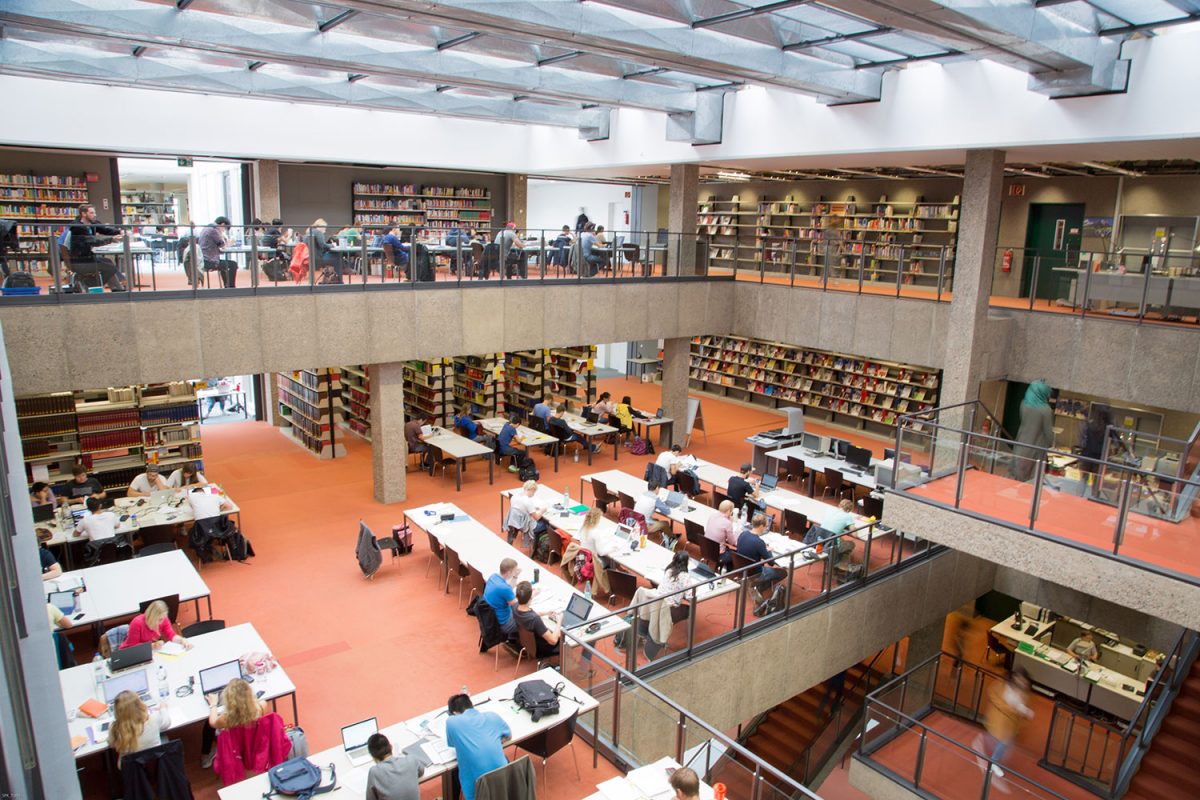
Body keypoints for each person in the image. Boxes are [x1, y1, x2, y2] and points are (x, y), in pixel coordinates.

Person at [444, 693, 510, 800]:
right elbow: (508, 736)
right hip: (503, 782)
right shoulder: (492, 716)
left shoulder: (451, 722)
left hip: (478, 788)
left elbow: (452, 744)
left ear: (455, 713)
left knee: (454, 772)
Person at [977, 669, 1033, 779]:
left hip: (1009, 724)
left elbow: (1021, 708)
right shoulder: (1002, 686)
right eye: (1020, 679)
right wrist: (1015, 709)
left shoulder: (1023, 693)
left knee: (1003, 742)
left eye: (1023, 681)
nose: (1022, 683)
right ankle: (993, 762)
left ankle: (993, 760)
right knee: (1001, 741)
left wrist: (1024, 712)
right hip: (1000, 720)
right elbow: (994, 696)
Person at [202, 677, 269, 769]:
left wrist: (213, 704)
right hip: (253, 741)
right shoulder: (262, 706)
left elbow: (212, 723)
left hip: (233, 745)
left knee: (207, 725)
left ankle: (207, 756)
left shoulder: (226, 718)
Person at [67, 204, 127, 290]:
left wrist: (119, 231)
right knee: (109, 267)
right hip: (80, 260)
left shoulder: (91, 224)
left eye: (94, 213)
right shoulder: (77, 227)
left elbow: (105, 229)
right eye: (91, 213)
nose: (94, 215)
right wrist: (111, 239)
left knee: (108, 263)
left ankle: (117, 289)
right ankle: (88, 284)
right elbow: (91, 240)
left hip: (88, 257)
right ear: (83, 214)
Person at [109, 690, 170, 766]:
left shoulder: (114, 728)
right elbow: (166, 724)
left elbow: (111, 744)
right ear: (139, 704)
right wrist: (163, 709)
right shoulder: (153, 719)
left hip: (131, 769)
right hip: (155, 763)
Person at [365, 731, 431, 800]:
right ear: (391, 747)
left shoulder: (374, 772)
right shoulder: (411, 760)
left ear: (373, 756)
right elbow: (421, 772)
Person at [737, 513, 783, 606]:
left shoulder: (743, 534)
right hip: (755, 572)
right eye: (766, 526)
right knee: (782, 572)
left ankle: (756, 585)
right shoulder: (759, 542)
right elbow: (770, 562)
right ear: (761, 526)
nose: (766, 528)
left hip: (741, 568)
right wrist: (768, 550)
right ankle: (758, 586)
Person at [1012, 380, 1053, 481]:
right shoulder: (1046, 410)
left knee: (1018, 474)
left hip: (1021, 443)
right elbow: (1049, 435)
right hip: (1036, 447)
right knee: (1032, 477)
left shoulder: (1024, 404)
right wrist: (1050, 444)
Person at [513, 580, 561, 658]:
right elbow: (553, 641)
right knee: (563, 638)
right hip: (541, 648)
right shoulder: (535, 619)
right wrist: (559, 621)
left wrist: (546, 613)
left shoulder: (515, 607)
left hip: (527, 643)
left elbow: (530, 612)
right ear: (531, 598)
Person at [121, 599, 191, 650]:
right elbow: (133, 646)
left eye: (163, 618)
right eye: (160, 619)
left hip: (147, 651)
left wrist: (182, 640)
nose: (162, 622)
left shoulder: (163, 619)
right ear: (152, 616)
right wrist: (153, 645)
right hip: (131, 653)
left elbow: (171, 635)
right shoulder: (137, 623)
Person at [484, 558, 520, 634]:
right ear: (509, 572)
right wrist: (531, 595)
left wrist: (515, 576)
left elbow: (509, 588)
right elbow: (518, 604)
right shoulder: (504, 588)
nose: (516, 572)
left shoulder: (493, 577)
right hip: (504, 624)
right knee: (528, 620)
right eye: (515, 571)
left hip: (490, 618)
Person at [199, 216, 237, 288]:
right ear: (222, 225)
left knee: (226, 265)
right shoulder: (214, 230)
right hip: (210, 261)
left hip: (204, 259)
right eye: (225, 229)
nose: (223, 231)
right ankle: (231, 287)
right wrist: (230, 243)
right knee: (233, 264)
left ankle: (227, 285)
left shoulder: (206, 228)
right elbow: (222, 244)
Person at [508, 481, 548, 546]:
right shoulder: (528, 501)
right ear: (532, 489)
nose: (534, 494)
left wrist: (532, 509)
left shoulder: (514, 496)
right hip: (528, 526)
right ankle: (537, 545)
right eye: (534, 492)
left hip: (516, 521)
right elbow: (537, 517)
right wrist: (542, 510)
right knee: (547, 524)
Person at [704, 500, 739, 571]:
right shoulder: (727, 523)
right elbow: (732, 542)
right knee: (735, 554)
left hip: (706, 548)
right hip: (718, 554)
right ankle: (726, 573)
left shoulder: (712, 516)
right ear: (729, 511)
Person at [657, 550, 693, 615]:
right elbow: (690, 597)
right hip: (670, 607)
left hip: (657, 602)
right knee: (689, 609)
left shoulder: (669, 570)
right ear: (686, 562)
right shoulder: (685, 576)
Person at [309, 219, 343, 283]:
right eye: (324, 227)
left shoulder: (310, 231)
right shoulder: (318, 233)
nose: (325, 229)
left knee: (333, 255)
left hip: (311, 258)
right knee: (338, 256)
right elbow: (323, 245)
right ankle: (339, 280)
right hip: (319, 259)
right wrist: (332, 245)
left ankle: (328, 277)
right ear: (320, 226)